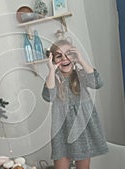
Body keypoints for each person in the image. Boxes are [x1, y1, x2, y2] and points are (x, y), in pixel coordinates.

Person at [42, 39, 108, 169]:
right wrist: (51, 70)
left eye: (68, 54)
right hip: (62, 130)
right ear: (53, 60)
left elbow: (98, 83)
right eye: (59, 56)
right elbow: (48, 96)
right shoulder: (53, 79)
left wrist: (81, 60)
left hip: (83, 128)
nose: (64, 59)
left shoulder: (82, 74)